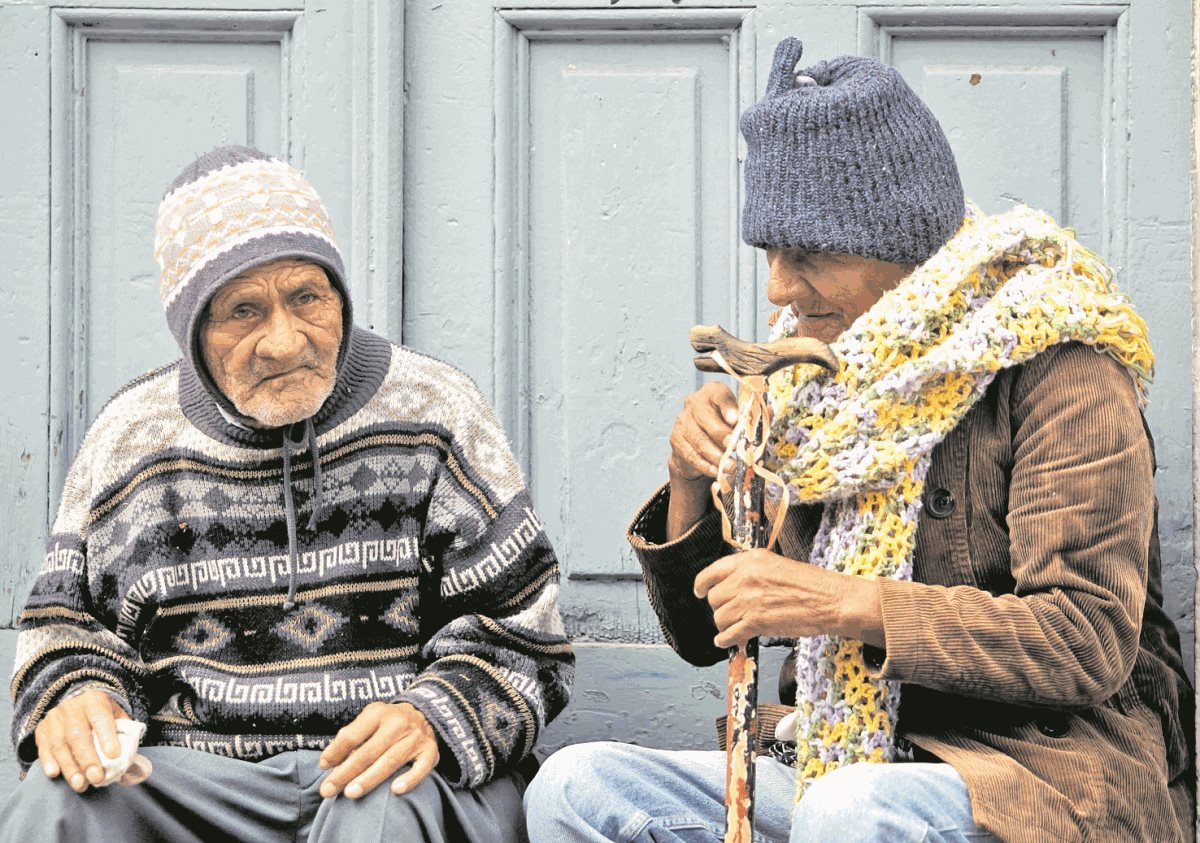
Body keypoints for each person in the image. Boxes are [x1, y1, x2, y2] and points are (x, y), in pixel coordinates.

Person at [524, 38, 1193, 842]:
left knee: (849, 810)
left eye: (809, 255)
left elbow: (1086, 640)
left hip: (1034, 776)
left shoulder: (1063, 365)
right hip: (830, 756)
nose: (778, 287)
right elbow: (708, 636)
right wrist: (691, 482)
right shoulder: (810, 376)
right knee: (576, 788)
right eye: (771, 252)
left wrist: (845, 603)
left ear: (901, 244)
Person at [2, 145, 572, 842]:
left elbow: (525, 642)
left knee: (378, 807)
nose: (284, 341)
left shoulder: (436, 410)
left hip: (400, 776)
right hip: (202, 783)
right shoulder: (130, 440)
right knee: (56, 803)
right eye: (243, 310)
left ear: (339, 296)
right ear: (192, 330)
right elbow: (66, 631)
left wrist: (432, 715)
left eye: (306, 297)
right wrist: (76, 696)